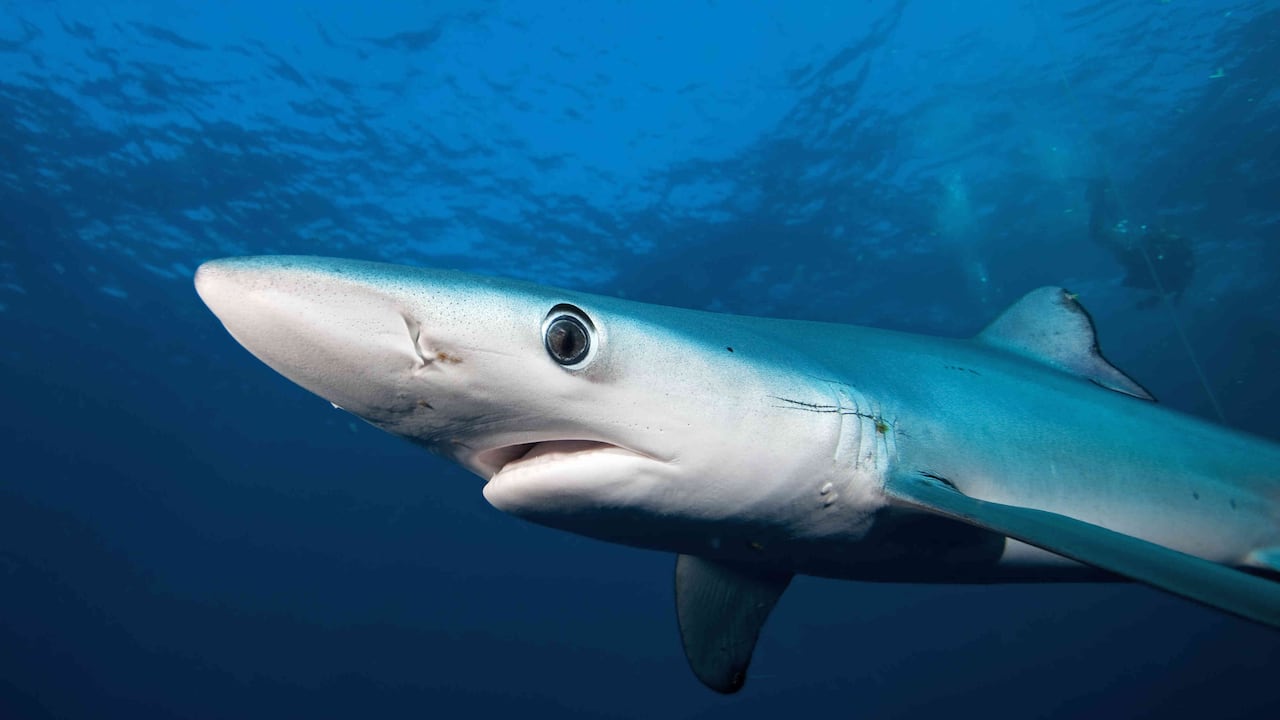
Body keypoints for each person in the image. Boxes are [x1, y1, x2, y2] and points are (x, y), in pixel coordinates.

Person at [1085, 179, 1195, 305]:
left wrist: (1148, 303)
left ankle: (1101, 197)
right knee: (1101, 234)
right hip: (1136, 252)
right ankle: (1101, 197)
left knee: (1102, 234)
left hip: (1135, 254)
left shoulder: (1171, 278)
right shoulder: (1173, 274)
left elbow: (1160, 287)